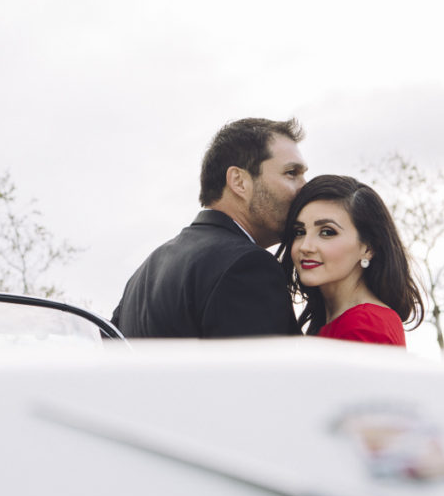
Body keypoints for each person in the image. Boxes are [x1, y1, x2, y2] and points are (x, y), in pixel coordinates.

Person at [111, 118, 308, 338]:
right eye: (292, 173)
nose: (305, 186)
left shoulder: (144, 274)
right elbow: (270, 371)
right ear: (239, 182)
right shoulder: (247, 266)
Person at [278, 174, 424, 346]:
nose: (305, 246)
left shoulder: (366, 326)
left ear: (368, 248)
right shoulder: (331, 322)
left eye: (327, 232)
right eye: (299, 232)